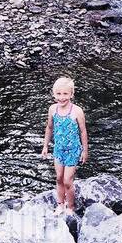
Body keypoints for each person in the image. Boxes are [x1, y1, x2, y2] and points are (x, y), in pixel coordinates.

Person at [41, 76, 88, 212]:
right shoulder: (52, 109)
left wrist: (85, 151)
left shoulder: (77, 111)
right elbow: (49, 127)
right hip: (58, 149)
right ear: (54, 94)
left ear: (71, 94)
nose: (62, 97)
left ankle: (71, 207)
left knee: (68, 180)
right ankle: (60, 204)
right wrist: (45, 146)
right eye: (59, 94)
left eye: (65, 94)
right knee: (59, 178)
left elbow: (83, 132)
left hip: (73, 150)